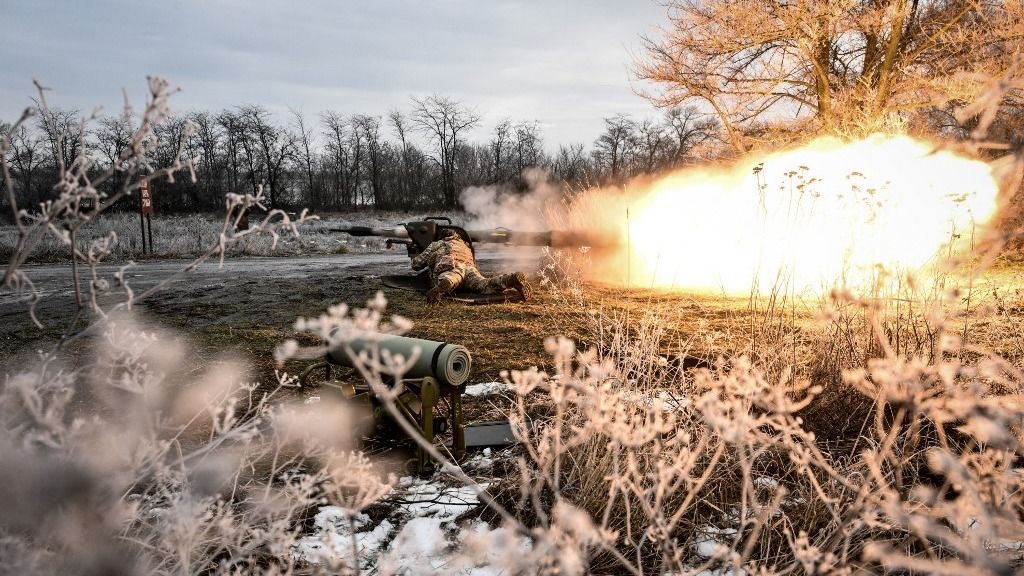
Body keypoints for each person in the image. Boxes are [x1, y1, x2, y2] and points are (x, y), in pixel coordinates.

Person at [410, 230, 532, 303]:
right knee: (483, 284)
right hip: (469, 268)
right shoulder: (465, 246)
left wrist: (414, 253)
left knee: (452, 277)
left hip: (451, 265)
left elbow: (416, 265)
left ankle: (444, 285)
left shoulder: (438, 244)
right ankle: (509, 279)